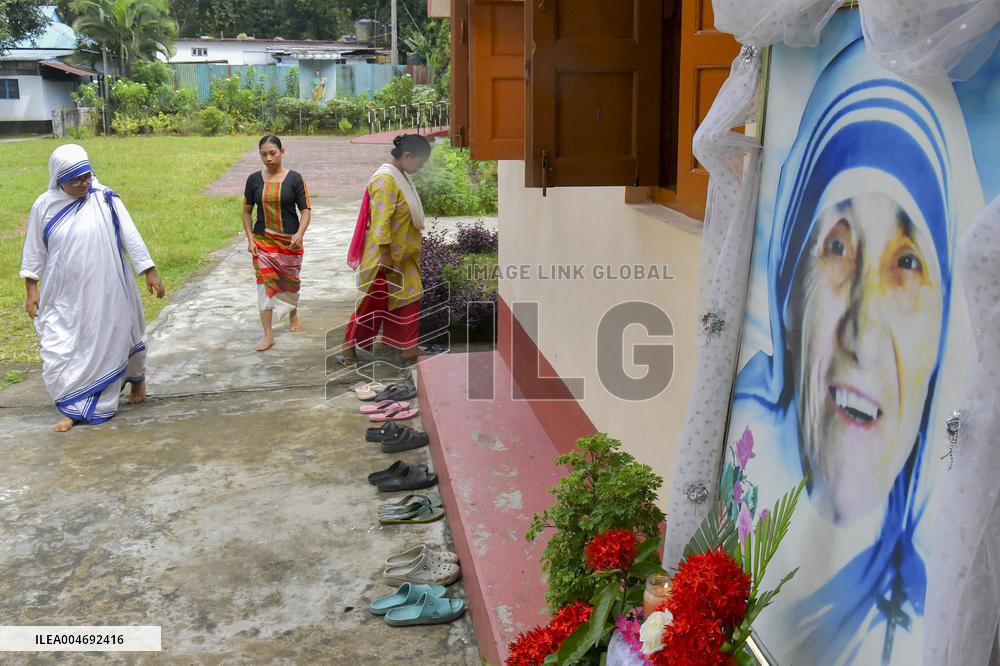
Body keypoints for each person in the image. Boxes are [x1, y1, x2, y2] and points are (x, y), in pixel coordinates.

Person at [727, 35, 982, 665]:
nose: (863, 332)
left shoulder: (950, 592)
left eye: (907, 263)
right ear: (788, 282)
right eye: (837, 246)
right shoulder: (743, 466)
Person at [20, 144, 165, 432]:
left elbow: (130, 236)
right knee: (63, 345)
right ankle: (71, 406)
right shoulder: (44, 205)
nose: (84, 184)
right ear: (58, 178)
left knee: (116, 334)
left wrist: (149, 271)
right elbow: (34, 249)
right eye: (75, 180)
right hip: (65, 294)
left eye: (87, 177)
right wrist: (31, 288)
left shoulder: (105, 198)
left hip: (107, 289)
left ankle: (136, 381)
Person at [341, 134, 431, 367]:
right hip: (385, 257)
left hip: (404, 256)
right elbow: (381, 221)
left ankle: (409, 348)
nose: (420, 169)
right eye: (420, 163)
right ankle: (348, 346)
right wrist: (384, 255)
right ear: (408, 156)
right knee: (372, 303)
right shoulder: (385, 180)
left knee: (411, 297)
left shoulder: (400, 175)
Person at [242, 135, 312, 351]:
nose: (268, 158)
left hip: (289, 243)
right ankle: (268, 334)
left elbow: (306, 210)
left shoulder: (295, 179)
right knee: (264, 286)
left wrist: (300, 233)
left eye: (272, 153)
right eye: (264, 154)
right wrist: (250, 238)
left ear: (282, 151)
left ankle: (293, 315)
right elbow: (246, 211)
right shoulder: (253, 180)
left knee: (289, 282)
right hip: (263, 242)